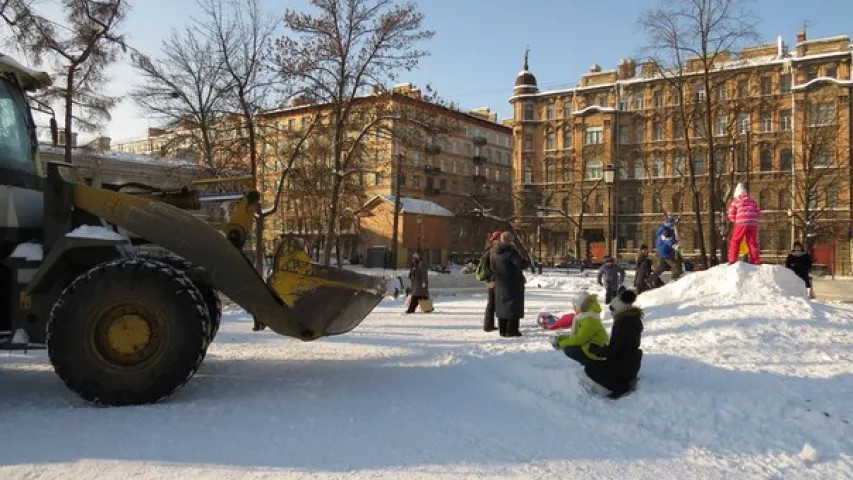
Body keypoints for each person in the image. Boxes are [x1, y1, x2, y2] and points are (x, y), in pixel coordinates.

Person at [586, 289, 644, 399]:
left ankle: (622, 387)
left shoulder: (623, 323)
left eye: (612, 309)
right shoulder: (633, 318)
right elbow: (622, 345)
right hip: (631, 363)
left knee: (590, 369)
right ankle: (623, 380)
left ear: (620, 308)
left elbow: (613, 350)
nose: (611, 312)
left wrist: (597, 350)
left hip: (624, 366)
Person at [550, 291, 609, 365]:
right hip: (591, 346)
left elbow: (580, 339)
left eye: (575, 306)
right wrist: (561, 338)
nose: (573, 308)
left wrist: (562, 344)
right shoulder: (584, 316)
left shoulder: (589, 319)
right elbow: (578, 335)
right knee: (570, 345)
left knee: (569, 349)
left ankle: (593, 364)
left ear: (580, 306)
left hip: (597, 350)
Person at [490, 231, 530, 337]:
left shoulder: (494, 252)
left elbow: (492, 267)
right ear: (511, 240)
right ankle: (512, 330)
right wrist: (527, 262)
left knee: (501, 306)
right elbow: (521, 264)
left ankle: (502, 329)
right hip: (512, 283)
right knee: (513, 307)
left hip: (499, 283)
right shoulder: (511, 252)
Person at [727, 182, 762, 265]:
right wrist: (754, 219)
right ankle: (756, 261)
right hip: (753, 223)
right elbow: (759, 211)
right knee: (752, 242)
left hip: (741, 222)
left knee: (735, 240)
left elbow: (731, 213)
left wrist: (735, 220)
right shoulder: (752, 201)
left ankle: (732, 260)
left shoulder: (736, 201)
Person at [479, 231, 503, 332]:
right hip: (495, 279)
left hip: (490, 280)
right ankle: (499, 325)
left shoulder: (488, 249)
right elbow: (495, 267)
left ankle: (488, 325)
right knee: (500, 303)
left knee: (491, 304)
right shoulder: (494, 251)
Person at [648, 217, 682, 286]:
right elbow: (667, 240)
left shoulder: (668, 229)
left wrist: (677, 220)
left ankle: (649, 279)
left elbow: (674, 223)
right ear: (670, 225)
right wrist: (674, 245)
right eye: (673, 225)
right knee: (676, 266)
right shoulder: (665, 231)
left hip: (665, 251)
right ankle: (674, 282)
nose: (674, 227)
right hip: (665, 252)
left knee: (662, 267)